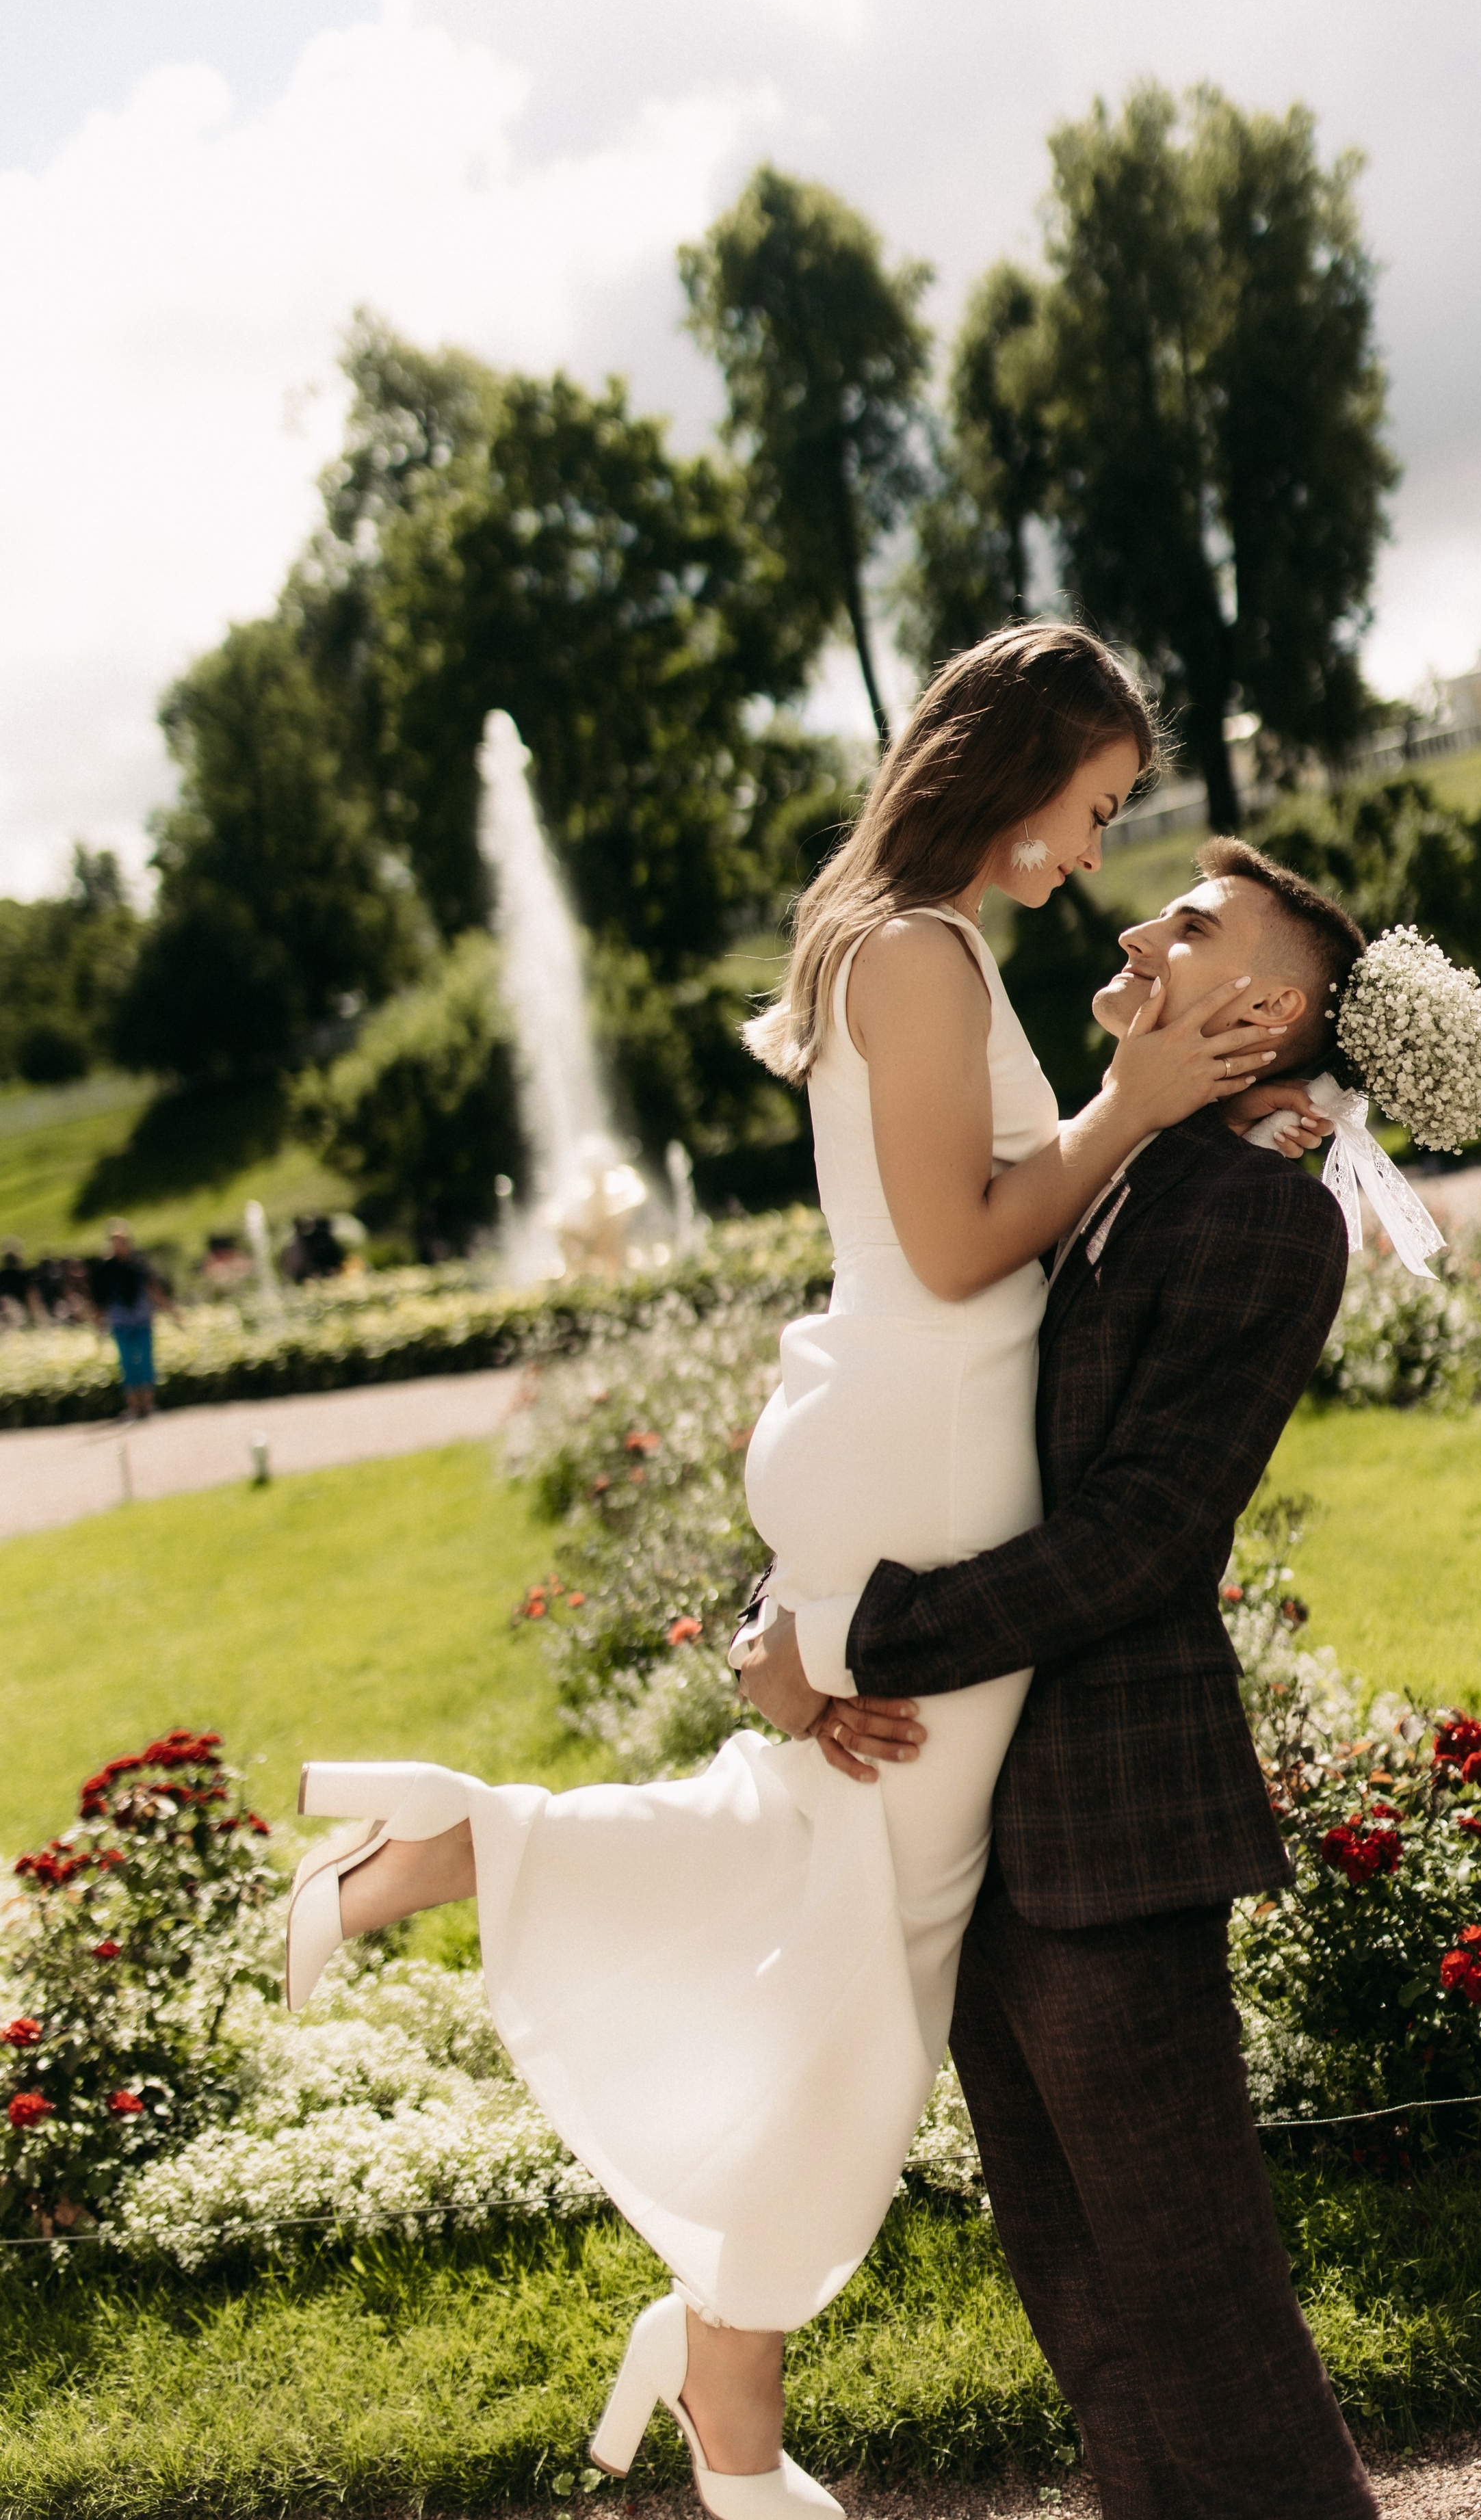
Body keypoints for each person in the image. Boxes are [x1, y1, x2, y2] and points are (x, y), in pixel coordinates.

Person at [283, 624, 1327, 2520]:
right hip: (929, 1448)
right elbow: (956, 1247)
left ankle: (716, 2333)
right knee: (873, 1931)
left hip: (909, 1445)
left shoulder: (907, 942)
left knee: (833, 1886)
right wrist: (1141, 1107)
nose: (1093, 856)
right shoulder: (921, 951)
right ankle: (711, 2330)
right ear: (1009, 760)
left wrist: (1216, 1114)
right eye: (1093, 809)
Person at [739, 837, 1380, 2519]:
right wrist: (786, 1611)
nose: (1129, 919)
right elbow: (921, 1418)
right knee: (1087, 2323)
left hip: (1107, 1832)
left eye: (1187, 919)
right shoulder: (1077, 1162)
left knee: (1203, 2319)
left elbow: (1140, 1536)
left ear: (1273, 1006)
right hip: (965, 1824)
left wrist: (852, 1641)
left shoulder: (1257, 1215)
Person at [85, 1220, 174, 1420]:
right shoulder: (106, 1269)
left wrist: (171, 1310)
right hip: (121, 1322)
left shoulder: (139, 1264)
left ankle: (148, 1405)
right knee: (127, 1365)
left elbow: (153, 1289)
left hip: (141, 1319)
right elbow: (100, 1300)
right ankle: (134, 1407)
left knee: (146, 1362)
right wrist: (98, 1323)